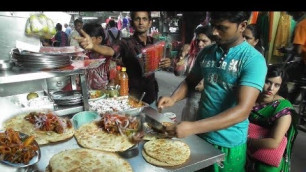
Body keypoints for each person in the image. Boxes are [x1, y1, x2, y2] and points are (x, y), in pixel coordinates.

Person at [158, 11, 267, 172]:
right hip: (201, 136)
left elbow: (242, 111)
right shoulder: (207, 52)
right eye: (213, 26)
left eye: (222, 28)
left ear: (242, 26)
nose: (215, 32)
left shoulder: (252, 60)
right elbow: (190, 81)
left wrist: (192, 127)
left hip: (227, 143)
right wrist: (173, 98)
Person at [76, 11, 171, 107]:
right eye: (137, 19)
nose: (141, 22)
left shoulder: (155, 43)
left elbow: (164, 63)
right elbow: (110, 50)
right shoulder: (125, 43)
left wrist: (167, 62)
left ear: (150, 23)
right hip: (132, 97)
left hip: (151, 95)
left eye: (144, 19)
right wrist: (93, 46)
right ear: (132, 22)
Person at [246, 65, 298, 172]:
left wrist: (245, 141)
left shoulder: (283, 108)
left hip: (266, 164)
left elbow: (273, 142)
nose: (271, 88)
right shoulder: (250, 96)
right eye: (268, 82)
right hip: (243, 156)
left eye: (276, 85)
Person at [177, 25, 215, 121]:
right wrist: (181, 58)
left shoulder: (217, 60)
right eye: (198, 40)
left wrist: (206, 84)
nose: (199, 44)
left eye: (204, 41)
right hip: (191, 103)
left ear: (213, 42)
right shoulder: (192, 56)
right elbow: (179, 73)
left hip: (208, 109)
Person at [82, 22, 116, 90]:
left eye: (89, 39)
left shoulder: (107, 58)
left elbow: (113, 81)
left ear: (99, 39)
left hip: (102, 95)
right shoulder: (84, 55)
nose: (85, 42)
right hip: (87, 95)